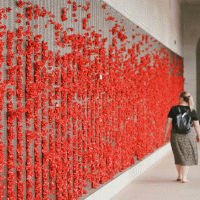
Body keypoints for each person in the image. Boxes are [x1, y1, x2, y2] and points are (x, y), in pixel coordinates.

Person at [165, 91, 200, 183]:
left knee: (178, 155)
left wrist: (165, 134)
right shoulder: (192, 110)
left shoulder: (174, 109)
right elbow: (196, 125)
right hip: (189, 135)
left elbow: (168, 123)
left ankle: (180, 176)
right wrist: (199, 135)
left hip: (175, 135)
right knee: (187, 156)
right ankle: (184, 178)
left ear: (181, 98)